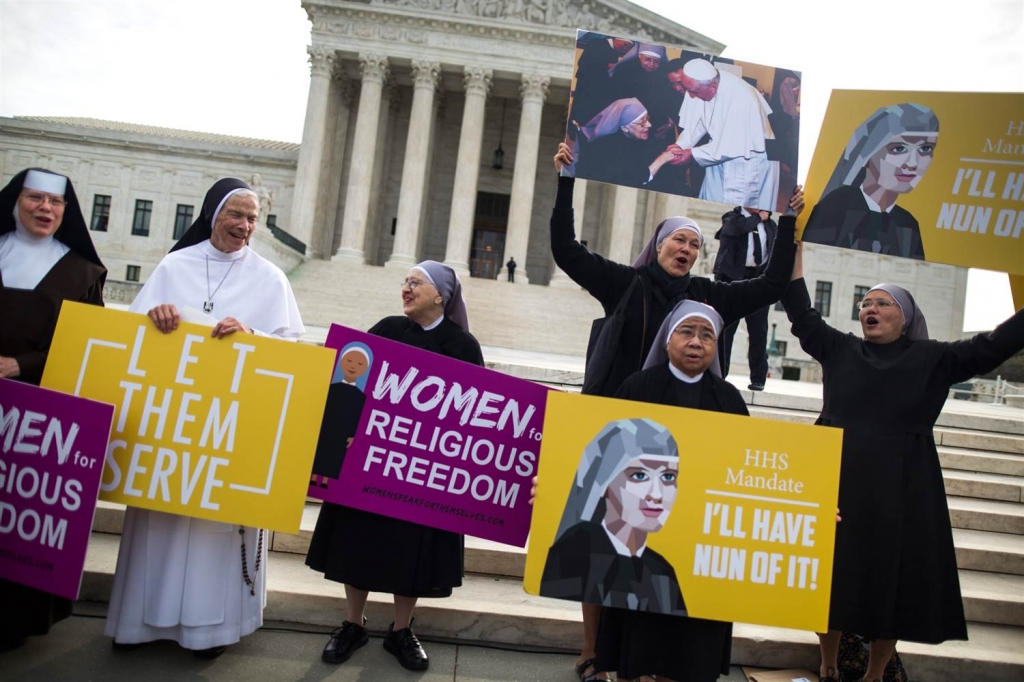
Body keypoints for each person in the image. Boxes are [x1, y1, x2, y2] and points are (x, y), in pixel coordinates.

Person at [551, 142, 802, 682]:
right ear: (658, 247)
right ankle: (594, 649)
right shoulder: (625, 284)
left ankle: (657, 659)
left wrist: (785, 222)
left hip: (684, 442)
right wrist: (567, 180)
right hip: (622, 424)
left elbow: (773, 286)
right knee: (604, 552)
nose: (685, 248)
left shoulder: (710, 299)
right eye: (676, 241)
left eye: (693, 243)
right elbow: (567, 251)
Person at [782, 246, 1024, 682]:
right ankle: (829, 665)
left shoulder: (934, 358)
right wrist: (793, 246)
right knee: (829, 581)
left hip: (902, 488)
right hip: (838, 481)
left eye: (881, 303)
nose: (869, 309)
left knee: (888, 587)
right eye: (865, 304)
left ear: (905, 316)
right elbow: (800, 310)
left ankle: (875, 675)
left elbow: (995, 345)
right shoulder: (839, 349)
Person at [104, 177, 305, 659]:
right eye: (236, 214)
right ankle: (138, 626)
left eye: (254, 218)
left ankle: (209, 633)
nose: (245, 225)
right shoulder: (174, 266)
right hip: (171, 435)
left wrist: (253, 334)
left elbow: (294, 354)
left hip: (227, 437)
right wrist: (155, 319)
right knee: (160, 527)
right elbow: (131, 336)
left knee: (215, 534)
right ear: (213, 213)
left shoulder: (271, 279)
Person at [305, 260, 484, 672]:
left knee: (413, 548)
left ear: (441, 295)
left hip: (421, 472)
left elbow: (474, 414)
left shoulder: (463, 345)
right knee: (356, 537)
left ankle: (401, 629)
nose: (406, 287)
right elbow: (352, 385)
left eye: (416, 283)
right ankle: (353, 623)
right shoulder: (385, 329)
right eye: (405, 281)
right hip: (372, 464)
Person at [597, 300, 749, 682]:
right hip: (643, 538)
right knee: (639, 637)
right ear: (667, 341)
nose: (696, 342)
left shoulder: (729, 400)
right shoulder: (637, 388)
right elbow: (604, 455)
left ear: (716, 347)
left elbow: (748, 469)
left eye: (706, 335)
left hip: (703, 540)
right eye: (686, 332)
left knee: (692, 646)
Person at [0, 168, 106, 651]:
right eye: (35, 198)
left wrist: (19, 365)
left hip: (41, 411)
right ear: (15, 200)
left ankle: (16, 620)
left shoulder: (83, 271)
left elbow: (89, 346)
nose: (46, 209)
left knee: (24, 516)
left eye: (55, 203)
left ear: (67, 212)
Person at [540, 418, 684, 616]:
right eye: (639, 476)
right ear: (604, 482)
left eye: (668, 477)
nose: (657, 494)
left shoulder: (662, 571)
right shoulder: (574, 551)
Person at [801, 103, 937, 260]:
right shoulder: (835, 206)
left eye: (925, 149)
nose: (913, 163)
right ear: (868, 152)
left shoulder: (909, 225)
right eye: (899, 149)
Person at [666, 58, 780, 210]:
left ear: (713, 87)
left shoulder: (743, 99)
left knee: (739, 215)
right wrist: (680, 144)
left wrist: (692, 154)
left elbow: (733, 145)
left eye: (694, 92)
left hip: (747, 162)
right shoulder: (698, 85)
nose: (691, 96)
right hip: (718, 154)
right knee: (711, 200)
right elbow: (698, 123)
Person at [712, 206, 778, 389]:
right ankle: (719, 375)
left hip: (759, 280)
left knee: (759, 331)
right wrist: (758, 218)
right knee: (726, 330)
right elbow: (738, 229)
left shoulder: (771, 225)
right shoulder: (732, 218)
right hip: (732, 280)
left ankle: (758, 378)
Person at [574, 98, 681, 189]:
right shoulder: (610, 147)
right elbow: (643, 177)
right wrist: (665, 157)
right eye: (642, 122)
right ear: (625, 128)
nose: (649, 125)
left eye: (647, 118)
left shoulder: (632, 137)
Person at [310, 343, 373, 489]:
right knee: (321, 451)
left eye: (359, 363)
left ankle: (325, 481)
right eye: (349, 361)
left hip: (342, 432)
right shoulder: (331, 389)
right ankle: (313, 477)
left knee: (335, 455)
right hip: (326, 426)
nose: (353, 366)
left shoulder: (360, 396)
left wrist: (353, 435)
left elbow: (357, 417)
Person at [569, 33, 634, 128]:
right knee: (580, 112)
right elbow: (583, 62)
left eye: (628, 48)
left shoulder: (614, 52)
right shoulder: (596, 43)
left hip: (599, 89)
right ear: (617, 39)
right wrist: (607, 65)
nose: (625, 49)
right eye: (625, 45)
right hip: (586, 86)